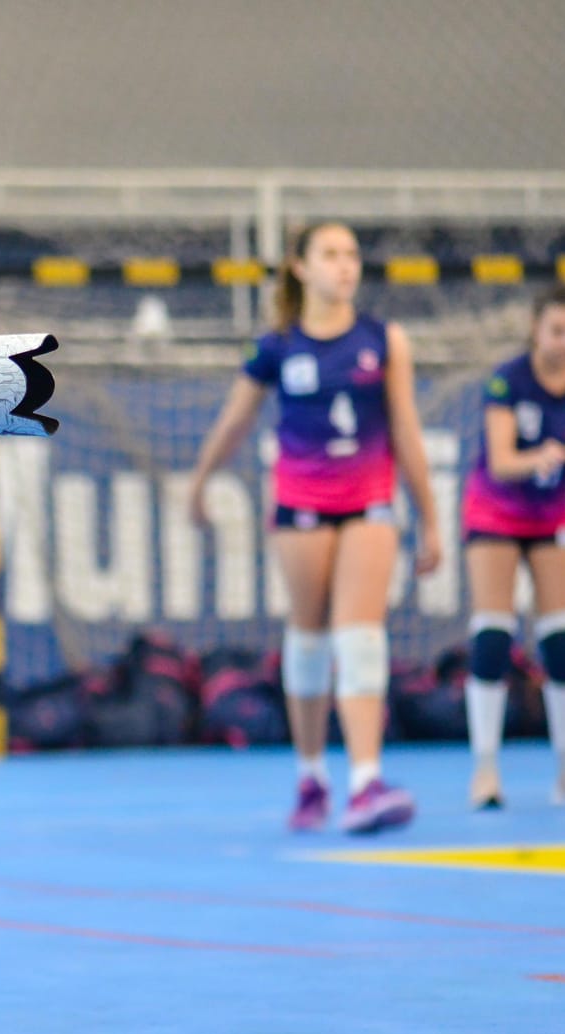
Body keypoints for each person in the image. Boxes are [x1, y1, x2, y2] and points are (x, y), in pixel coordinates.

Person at [187, 222, 442, 834]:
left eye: (353, 253)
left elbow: (406, 431)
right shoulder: (277, 346)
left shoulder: (384, 339)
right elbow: (234, 422)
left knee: (360, 636)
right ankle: (311, 776)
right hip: (301, 507)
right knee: (308, 637)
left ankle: (365, 781)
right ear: (301, 268)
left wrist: (431, 519)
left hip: (370, 502)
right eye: (330, 254)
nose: (345, 265)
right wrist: (199, 482)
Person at [460, 284, 565, 810]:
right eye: (558, 331)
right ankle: (485, 771)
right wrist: (544, 457)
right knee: (492, 634)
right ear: (535, 329)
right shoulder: (508, 381)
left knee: (563, 640)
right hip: (496, 512)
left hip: (553, 516)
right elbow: (503, 461)